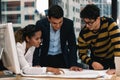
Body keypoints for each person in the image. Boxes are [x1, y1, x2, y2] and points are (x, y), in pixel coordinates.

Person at [33, 5, 82, 71]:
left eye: (60, 22)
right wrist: (36, 63)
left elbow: (72, 45)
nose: (58, 26)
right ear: (49, 19)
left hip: (62, 58)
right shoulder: (40, 24)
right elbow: (36, 45)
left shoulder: (68, 24)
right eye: (54, 23)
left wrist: (73, 64)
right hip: (45, 58)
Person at [78, 4, 120, 74]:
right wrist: (91, 62)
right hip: (95, 61)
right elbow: (81, 54)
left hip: (112, 59)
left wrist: (116, 67)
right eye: (85, 22)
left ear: (98, 19)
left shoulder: (109, 23)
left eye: (90, 23)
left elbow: (118, 46)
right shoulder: (83, 33)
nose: (87, 26)